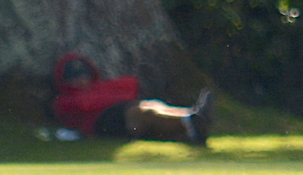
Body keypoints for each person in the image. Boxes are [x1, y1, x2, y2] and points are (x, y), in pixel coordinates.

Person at [51, 53, 213, 145]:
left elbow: (131, 85)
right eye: (74, 78)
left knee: (152, 106)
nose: (81, 81)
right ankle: (190, 120)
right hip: (107, 122)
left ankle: (191, 118)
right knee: (143, 112)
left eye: (84, 76)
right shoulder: (64, 101)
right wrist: (110, 96)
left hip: (124, 114)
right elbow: (84, 104)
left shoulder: (101, 88)